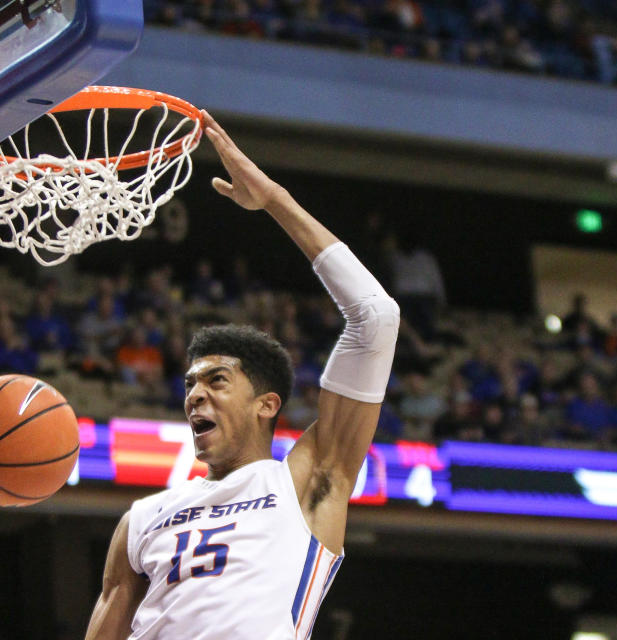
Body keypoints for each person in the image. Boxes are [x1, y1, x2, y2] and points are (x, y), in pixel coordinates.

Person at [84, 111, 399, 639]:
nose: (195, 395)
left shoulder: (306, 482)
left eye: (217, 381)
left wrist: (275, 201)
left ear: (267, 404)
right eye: (190, 384)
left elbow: (376, 317)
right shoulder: (141, 519)